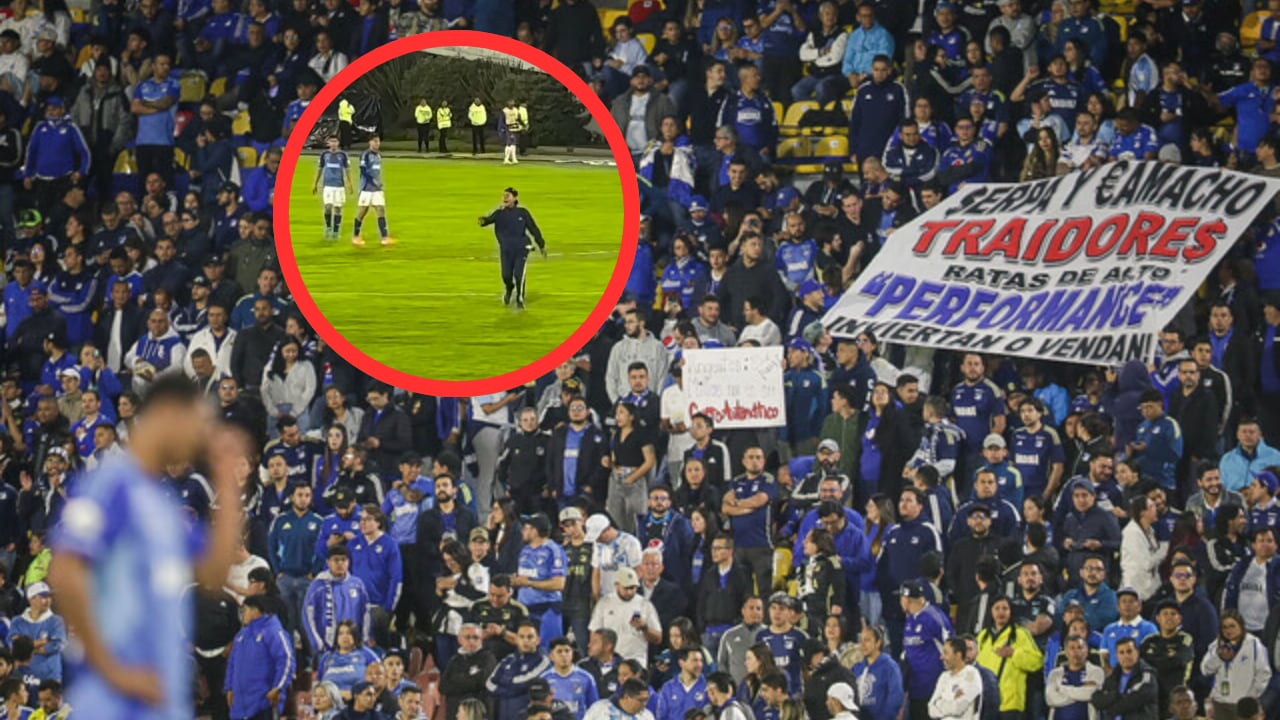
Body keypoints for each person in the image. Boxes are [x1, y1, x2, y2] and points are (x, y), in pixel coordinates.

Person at [47, 376, 247, 720]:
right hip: (116, 694)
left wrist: (228, 482)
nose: (199, 437)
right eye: (197, 424)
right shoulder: (113, 483)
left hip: (158, 694)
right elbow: (64, 570)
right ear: (169, 414)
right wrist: (111, 668)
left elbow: (213, 570)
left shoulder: (159, 503)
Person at [224, 594, 294, 720]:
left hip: (263, 704)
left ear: (255, 611)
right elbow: (232, 663)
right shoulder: (241, 635)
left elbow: (286, 659)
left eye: (244, 610)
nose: (242, 614)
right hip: (239, 706)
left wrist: (278, 688)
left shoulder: (273, 632)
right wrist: (229, 687)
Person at [478, 187, 546, 309]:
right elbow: (487, 221)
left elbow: (533, 228)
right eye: (504, 195)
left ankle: (520, 298)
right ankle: (509, 288)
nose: (505, 198)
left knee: (519, 274)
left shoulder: (523, 213)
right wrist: (482, 220)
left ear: (514, 198)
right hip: (506, 250)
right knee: (506, 275)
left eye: (508, 196)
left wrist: (541, 244)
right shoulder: (499, 213)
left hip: (521, 249)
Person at [975, 596, 1042, 718]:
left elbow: (1036, 661)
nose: (1001, 612)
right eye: (997, 608)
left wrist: (1014, 653)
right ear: (991, 611)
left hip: (1011, 704)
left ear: (1010, 612)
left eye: (1005, 608)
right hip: (987, 702)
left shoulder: (1020, 634)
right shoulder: (983, 636)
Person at [487, 620, 552, 720]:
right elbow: (489, 684)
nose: (525, 640)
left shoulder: (543, 660)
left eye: (530, 637)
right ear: (516, 639)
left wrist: (503, 687)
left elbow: (526, 682)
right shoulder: (507, 659)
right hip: (502, 714)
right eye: (521, 637)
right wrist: (510, 687)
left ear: (537, 640)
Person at [1089, 637, 1158, 720]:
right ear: (1117, 656)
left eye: (1129, 651)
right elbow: (1096, 699)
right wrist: (1116, 695)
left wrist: (1109, 707)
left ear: (1137, 652)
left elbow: (1132, 701)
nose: (1126, 656)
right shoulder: (1113, 676)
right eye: (1121, 652)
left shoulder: (1147, 675)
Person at [350, 135, 393, 247]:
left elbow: (377, 172)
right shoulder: (366, 155)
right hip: (366, 189)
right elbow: (364, 171)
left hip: (377, 189)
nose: (377, 143)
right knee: (362, 212)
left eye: (378, 141)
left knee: (380, 210)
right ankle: (355, 236)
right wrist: (374, 182)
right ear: (370, 142)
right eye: (374, 141)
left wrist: (379, 182)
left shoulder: (378, 155)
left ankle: (384, 237)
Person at [928, 637, 982, 720]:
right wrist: (953, 700)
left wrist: (939, 703)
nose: (941, 657)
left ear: (958, 655)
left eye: (946, 653)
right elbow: (931, 709)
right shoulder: (944, 676)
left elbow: (958, 708)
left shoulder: (971, 674)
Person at [313, 135, 353, 242]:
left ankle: (336, 231)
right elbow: (320, 169)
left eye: (335, 141)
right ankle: (328, 227)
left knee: (338, 208)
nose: (334, 143)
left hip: (339, 186)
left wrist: (350, 183)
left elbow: (347, 169)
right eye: (332, 141)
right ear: (328, 143)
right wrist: (315, 183)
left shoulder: (343, 155)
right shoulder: (324, 155)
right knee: (328, 206)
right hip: (328, 185)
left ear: (338, 143)